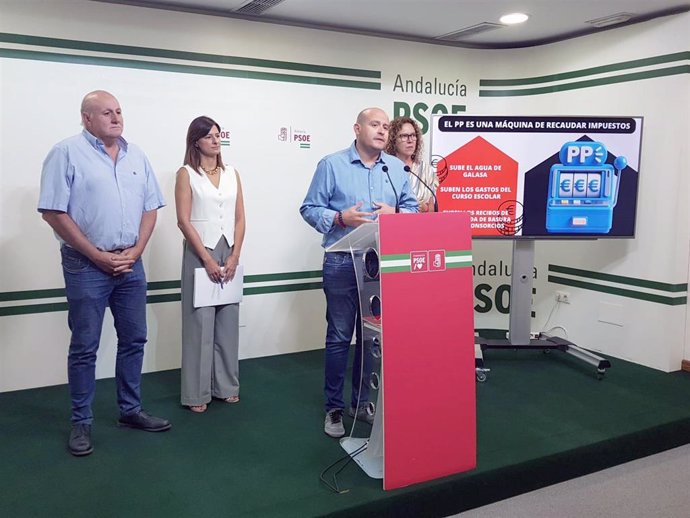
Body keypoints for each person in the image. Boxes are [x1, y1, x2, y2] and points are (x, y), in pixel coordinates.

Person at [38, 90, 170, 457]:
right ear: (87, 119)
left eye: (119, 112)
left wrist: (137, 251)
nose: (116, 118)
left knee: (134, 339)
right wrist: (96, 254)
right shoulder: (65, 153)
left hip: (130, 263)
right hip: (84, 265)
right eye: (106, 112)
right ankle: (81, 421)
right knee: (85, 347)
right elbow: (53, 212)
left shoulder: (136, 155)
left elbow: (150, 209)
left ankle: (130, 410)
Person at [300, 107, 418, 438]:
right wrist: (340, 219)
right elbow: (309, 208)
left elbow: (411, 209)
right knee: (339, 336)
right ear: (357, 128)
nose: (382, 131)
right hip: (340, 260)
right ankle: (334, 409)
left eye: (385, 126)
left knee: (371, 338)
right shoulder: (331, 164)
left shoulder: (396, 168)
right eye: (374, 125)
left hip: (379, 262)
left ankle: (361, 402)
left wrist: (396, 213)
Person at [175, 116, 246, 413]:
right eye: (209, 136)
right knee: (199, 324)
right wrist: (205, 258)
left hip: (229, 249)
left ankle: (226, 386)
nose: (216, 141)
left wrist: (235, 256)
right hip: (199, 251)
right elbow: (183, 219)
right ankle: (196, 393)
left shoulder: (232, 173)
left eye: (218, 135)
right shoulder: (186, 174)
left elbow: (240, 218)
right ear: (196, 142)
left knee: (228, 322)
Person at [385, 116, 438, 212]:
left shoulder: (426, 170)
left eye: (413, 135)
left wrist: (425, 208)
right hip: (392, 223)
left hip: (421, 224)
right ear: (392, 140)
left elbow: (432, 209)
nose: (410, 140)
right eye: (404, 136)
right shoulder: (385, 168)